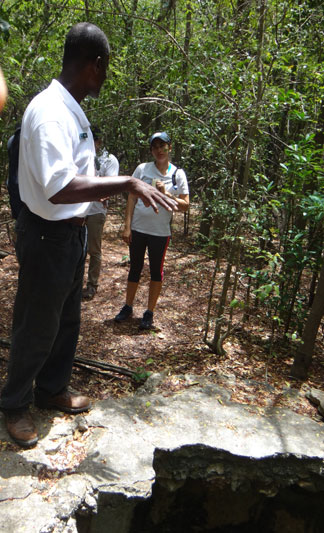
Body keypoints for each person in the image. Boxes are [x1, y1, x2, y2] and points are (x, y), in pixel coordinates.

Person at [0, 23, 176, 448]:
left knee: (66, 319)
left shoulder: (70, 109)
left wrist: (98, 197)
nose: (106, 76)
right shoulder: (49, 112)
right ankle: (15, 404)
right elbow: (58, 186)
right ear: (94, 65)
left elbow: (75, 177)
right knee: (37, 323)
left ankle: (51, 389)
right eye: (106, 68)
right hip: (47, 235)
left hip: (71, 234)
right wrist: (127, 184)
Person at [114, 131, 189, 330]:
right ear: (151, 150)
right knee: (135, 267)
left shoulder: (177, 174)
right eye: (155, 147)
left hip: (160, 232)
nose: (159, 150)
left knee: (156, 271)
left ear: (169, 147)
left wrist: (167, 195)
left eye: (162, 146)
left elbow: (185, 205)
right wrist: (127, 226)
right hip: (138, 228)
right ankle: (128, 306)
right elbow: (132, 197)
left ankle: (149, 312)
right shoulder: (143, 169)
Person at [82, 127, 119, 300]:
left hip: (96, 211)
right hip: (78, 208)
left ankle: (92, 284)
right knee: (77, 247)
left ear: (99, 142)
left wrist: (91, 188)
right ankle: (74, 283)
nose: (92, 144)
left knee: (94, 249)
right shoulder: (82, 156)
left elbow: (108, 187)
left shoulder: (109, 160)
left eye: (95, 141)